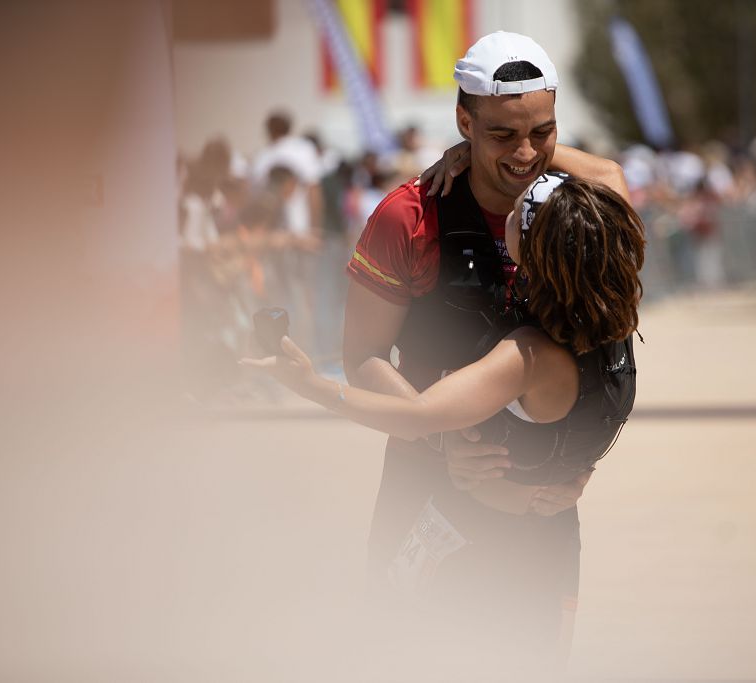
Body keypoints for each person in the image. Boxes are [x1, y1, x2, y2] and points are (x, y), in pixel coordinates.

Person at [243, 172, 644, 670]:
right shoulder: (617, 323)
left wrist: (310, 385)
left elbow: (416, 417)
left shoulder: (529, 357)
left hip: (478, 544)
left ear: (536, 252)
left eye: (517, 213)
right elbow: (610, 179)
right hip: (554, 544)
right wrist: (572, 467)